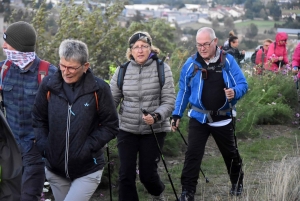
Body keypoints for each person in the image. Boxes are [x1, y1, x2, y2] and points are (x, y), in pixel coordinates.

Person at [32, 39, 119, 201]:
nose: (66, 72)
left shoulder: (99, 89)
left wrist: (88, 147)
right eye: (62, 66)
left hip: (88, 168)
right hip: (55, 169)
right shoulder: (48, 85)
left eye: (72, 67)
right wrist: (44, 146)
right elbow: (38, 118)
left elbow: (111, 125)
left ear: (86, 66)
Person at [171, 27, 248, 201]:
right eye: (199, 45)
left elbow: (243, 84)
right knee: (192, 154)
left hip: (223, 117)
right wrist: (176, 114)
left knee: (230, 153)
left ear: (215, 42)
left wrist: (234, 92)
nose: (202, 48)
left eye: (206, 44)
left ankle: (237, 183)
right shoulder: (191, 64)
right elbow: (183, 91)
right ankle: (187, 191)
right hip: (199, 117)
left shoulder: (227, 61)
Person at [109, 31, 175, 201]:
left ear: (150, 48)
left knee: (147, 175)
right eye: (136, 47)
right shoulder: (122, 71)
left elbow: (169, 100)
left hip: (154, 129)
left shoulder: (162, 68)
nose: (140, 50)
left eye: (144, 46)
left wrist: (156, 116)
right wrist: (103, 119)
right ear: (130, 50)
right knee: (125, 174)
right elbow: (111, 99)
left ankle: (157, 192)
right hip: (126, 128)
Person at [0, 21, 57, 201]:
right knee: (10, 196)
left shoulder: (48, 73)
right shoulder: (3, 70)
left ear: (18, 46)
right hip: (10, 149)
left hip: (35, 149)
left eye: (7, 43)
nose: (3, 47)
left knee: (28, 196)